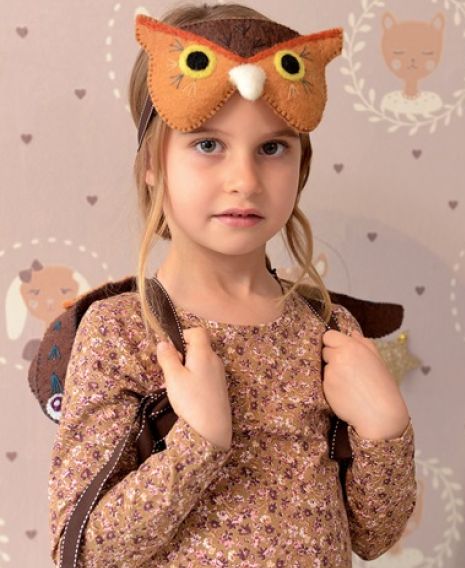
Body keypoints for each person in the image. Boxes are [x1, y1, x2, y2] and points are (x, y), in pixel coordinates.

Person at [48, 2, 417, 566]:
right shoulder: (121, 332)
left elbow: (373, 535)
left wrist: (386, 426)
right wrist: (198, 443)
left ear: (300, 166)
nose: (244, 180)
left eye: (272, 148)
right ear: (152, 164)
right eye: (207, 144)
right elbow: (82, 550)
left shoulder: (327, 332)